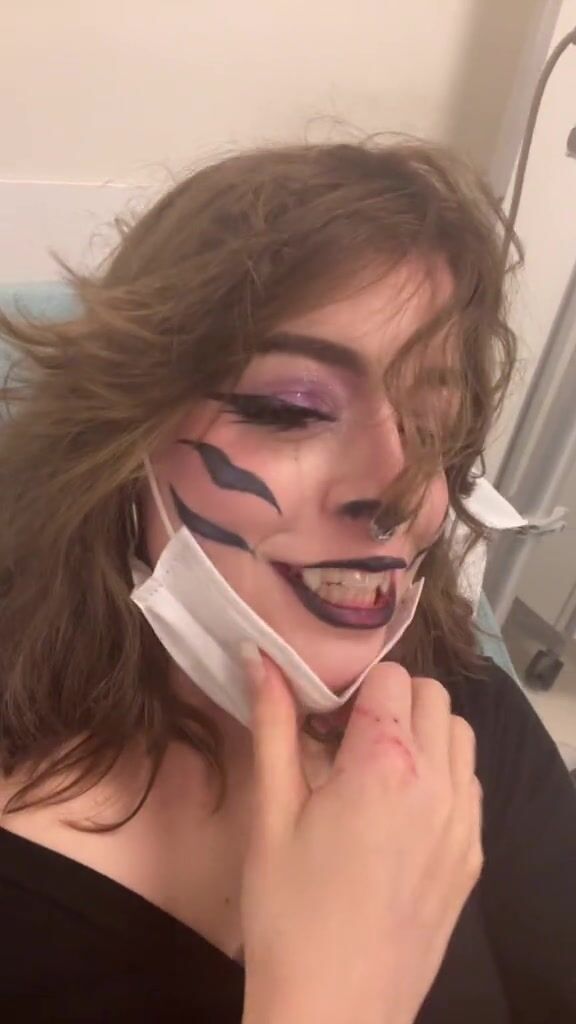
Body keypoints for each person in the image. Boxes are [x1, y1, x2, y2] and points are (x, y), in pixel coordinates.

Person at [0, 139, 574, 1024]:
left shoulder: (463, 718)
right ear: (119, 447)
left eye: (435, 426)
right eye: (289, 410)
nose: (397, 489)